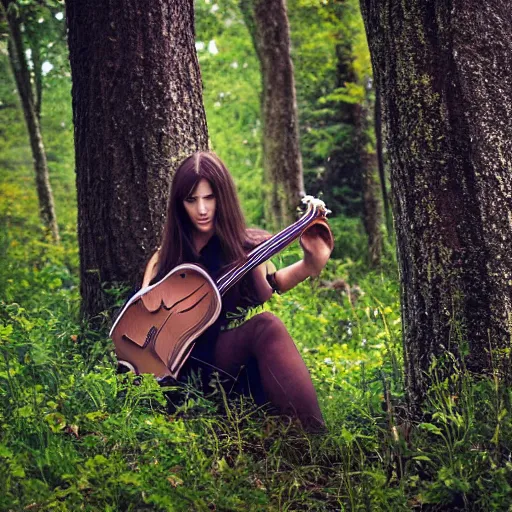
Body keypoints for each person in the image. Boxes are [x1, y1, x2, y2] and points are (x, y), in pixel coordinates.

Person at [142, 152, 332, 432]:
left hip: (217, 357)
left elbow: (272, 285)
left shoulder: (240, 245)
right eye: (192, 200)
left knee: (267, 325)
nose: (202, 209)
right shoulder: (165, 257)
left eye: (210, 198)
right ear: (179, 204)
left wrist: (310, 264)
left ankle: (315, 437)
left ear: (224, 198)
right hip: (176, 369)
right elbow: (141, 317)